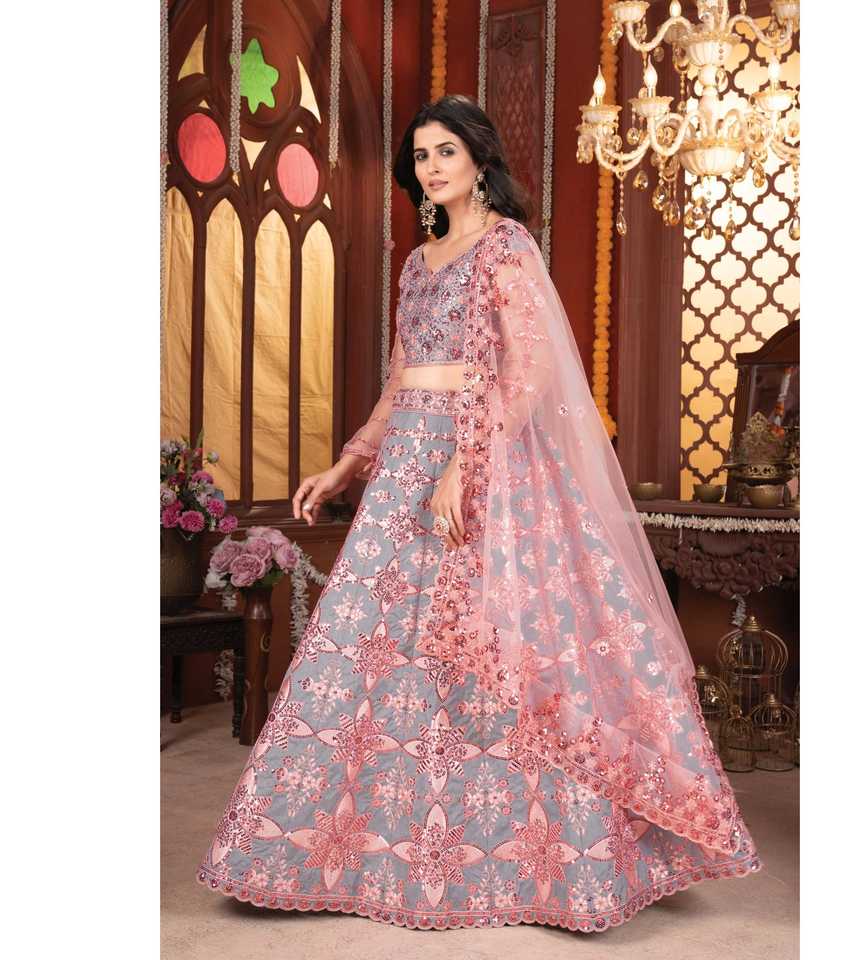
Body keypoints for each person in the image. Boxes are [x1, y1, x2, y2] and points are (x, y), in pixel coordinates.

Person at [197, 94, 762, 933]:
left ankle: (537, 858)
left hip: (488, 461)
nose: (431, 167)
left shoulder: (506, 247)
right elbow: (402, 379)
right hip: (405, 465)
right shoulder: (418, 262)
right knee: (370, 642)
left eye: (446, 152)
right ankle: (349, 850)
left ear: (479, 159)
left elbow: (528, 370)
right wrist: (349, 461)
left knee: (507, 638)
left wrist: (466, 462)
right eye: (421, 155)